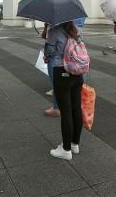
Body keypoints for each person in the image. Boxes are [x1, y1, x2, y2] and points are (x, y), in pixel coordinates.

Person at [47, 21, 83, 161]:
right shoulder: (76, 29)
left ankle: (66, 150)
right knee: (76, 108)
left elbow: (49, 51)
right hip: (77, 72)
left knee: (66, 111)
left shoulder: (54, 31)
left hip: (62, 72)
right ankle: (74, 144)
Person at [42, 24, 59, 117]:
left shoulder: (54, 29)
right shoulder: (70, 26)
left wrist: (46, 54)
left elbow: (51, 50)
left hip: (55, 59)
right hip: (65, 60)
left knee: (55, 83)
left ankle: (56, 108)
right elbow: (44, 36)